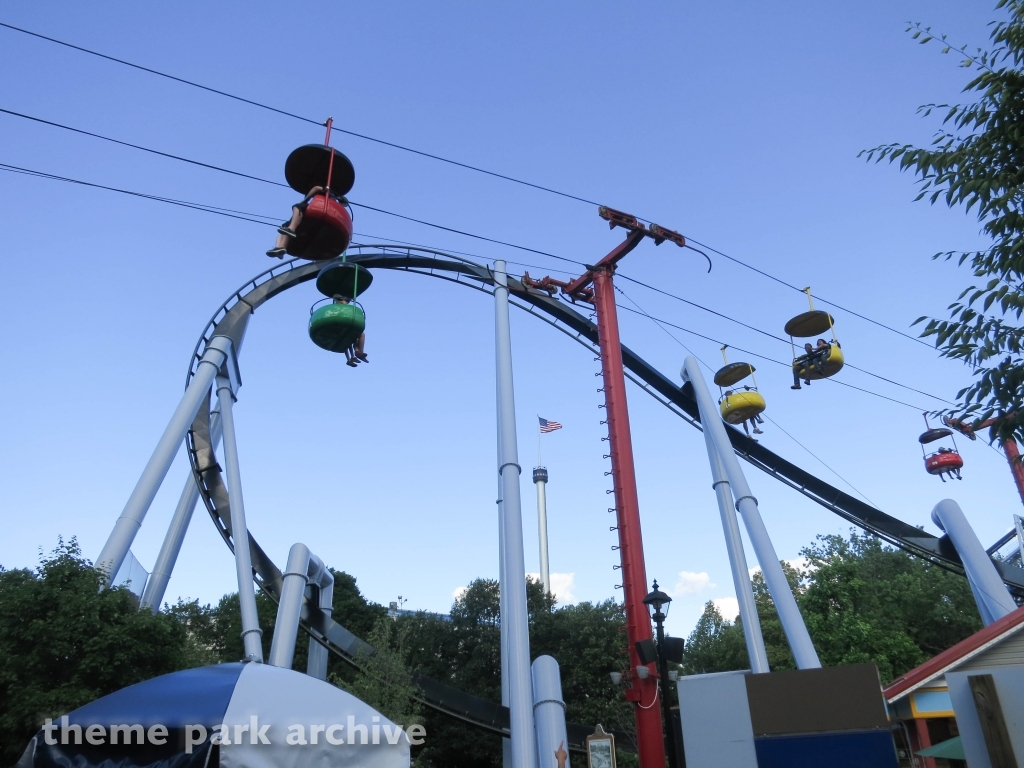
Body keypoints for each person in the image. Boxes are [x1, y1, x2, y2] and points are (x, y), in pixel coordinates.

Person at [267, 185, 337, 258]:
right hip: (319, 209)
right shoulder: (330, 195)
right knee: (286, 226)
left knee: (297, 206)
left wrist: (305, 199)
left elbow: (316, 188)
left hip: (320, 208)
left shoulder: (325, 192)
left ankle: (291, 229)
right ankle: (280, 248)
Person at [333, 295, 368, 367]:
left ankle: (358, 352)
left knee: (360, 335)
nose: (347, 303)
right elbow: (335, 296)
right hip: (340, 328)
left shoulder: (346, 309)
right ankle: (352, 357)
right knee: (348, 339)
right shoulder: (338, 307)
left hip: (347, 327)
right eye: (346, 301)